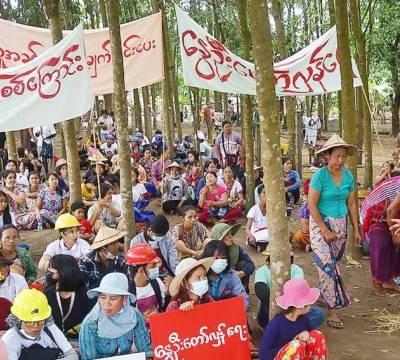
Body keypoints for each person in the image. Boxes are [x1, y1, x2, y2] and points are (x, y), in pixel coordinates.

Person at [308, 134, 361, 329]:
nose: (341, 160)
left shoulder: (348, 176)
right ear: (328, 155)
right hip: (320, 227)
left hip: (341, 226)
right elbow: (311, 205)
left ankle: (323, 294)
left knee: (332, 265)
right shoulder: (319, 176)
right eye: (337, 156)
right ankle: (332, 309)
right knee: (327, 267)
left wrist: (356, 229)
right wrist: (324, 229)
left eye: (344, 156)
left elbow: (352, 203)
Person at [79, 273, 152, 359]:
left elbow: (146, 352)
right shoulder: (90, 323)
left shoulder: (135, 316)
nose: (107, 303)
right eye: (102, 297)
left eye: (113, 298)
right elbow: (88, 358)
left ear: (125, 298)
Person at [255, 246, 325, 330]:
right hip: (270, 308)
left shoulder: (296, 270)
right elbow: (260, 291)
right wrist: (281, 306)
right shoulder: (262, 271)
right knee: (264, 302)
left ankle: (286, 330)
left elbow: (298, 293)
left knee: (318, 313)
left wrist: (290, 312)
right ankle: (291, 330)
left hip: (293, 309)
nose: (289, 251)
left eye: (291, 249)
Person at [259, 279, 328, 360]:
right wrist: (290, 344)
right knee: (296, 346)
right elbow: (263, 355)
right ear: (302, 306)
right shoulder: (275, 325)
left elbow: (309, 337)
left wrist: (306, 333)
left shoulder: (304, 319)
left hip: (300, 356)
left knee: (317, 335)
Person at [3, 289, 79, 360]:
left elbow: (72, 355)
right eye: (29, 322)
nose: (36, 326)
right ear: (18, 320)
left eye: (40, 321)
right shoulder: (10, 340)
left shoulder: (50, 328)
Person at [360, 176, 400, 296]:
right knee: (381, 244)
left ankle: (388, 279)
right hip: (377, 215)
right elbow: (390, 210)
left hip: (394, 215)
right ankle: (377, 281)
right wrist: (394, 235)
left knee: (395, 247)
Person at [44, 255, 94, 334]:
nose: (48, 270)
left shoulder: (86, 295)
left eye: (51, 267)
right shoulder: (47, 294)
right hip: (54, 338)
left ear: (62, 271)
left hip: (79, 337)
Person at [79, 226, 130, 291]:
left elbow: (127, 284)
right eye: (113, 243)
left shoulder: (121, 261)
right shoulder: (86, 261)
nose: (117, 246)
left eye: (117, 242)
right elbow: (82, 287)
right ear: (103, 248)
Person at [126, 244, 165, 328]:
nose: (157, 268)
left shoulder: (157, 283)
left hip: (158, 328)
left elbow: (162, 305)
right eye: (153, 266)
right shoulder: (127, 292)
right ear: (141, 271)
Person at [201, 240, 249, 309]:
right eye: (216, 258)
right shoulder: (200, 277)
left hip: (227, 314)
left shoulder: (232, 275)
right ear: (207, 257)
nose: (220, 261)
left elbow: (243, 298)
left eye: (223, 258)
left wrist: (229, 307)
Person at [211, 223, 254, 293]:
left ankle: (243, 290)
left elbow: (250, 264)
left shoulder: (236, 248)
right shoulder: (212, 251)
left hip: (236, 277)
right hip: (219, 278)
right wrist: (232, 273)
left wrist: (242, 272)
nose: (231, 237)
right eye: (227, 235)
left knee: (243, 264)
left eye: (231, 234)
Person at [246, 184, 269, 253]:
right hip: (257, 234)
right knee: (252, 240)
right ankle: (264, 245)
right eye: (264, 192)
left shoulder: (272, 209)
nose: (266, 195)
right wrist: (250, 236)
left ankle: (262, 246)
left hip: (269, 233)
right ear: (259, 195)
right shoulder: (254, 209)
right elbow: (247, 228)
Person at [294, 178, 312, 252]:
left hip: (327, 230)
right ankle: (309, 244)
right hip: (313, 232)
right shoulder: (305, 208)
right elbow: (306, 229)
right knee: (299, 235)